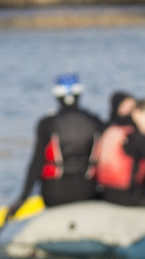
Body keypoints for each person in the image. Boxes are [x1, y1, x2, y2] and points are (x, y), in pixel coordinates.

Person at [6, 74, 102, 217]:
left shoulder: (47, 123)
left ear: (57, 95)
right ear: (79, 94)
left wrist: (22, 198)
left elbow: (37, 163)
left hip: (55, 193)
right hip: (88, 191)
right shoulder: (96, 121)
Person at [94, 98, 145, 209]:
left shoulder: (112, 128)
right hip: (126, 195)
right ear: (136, 114)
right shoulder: (137, 137)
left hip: (104, 191)